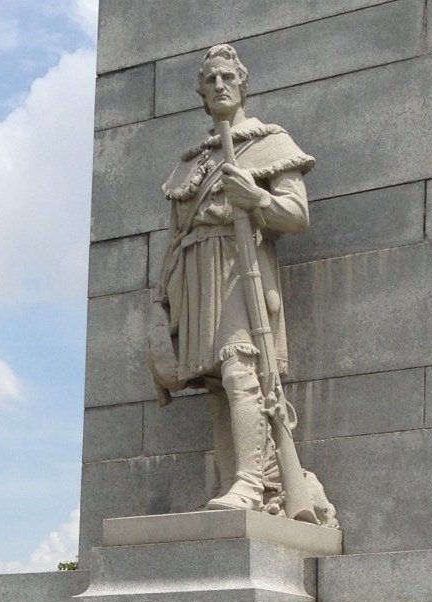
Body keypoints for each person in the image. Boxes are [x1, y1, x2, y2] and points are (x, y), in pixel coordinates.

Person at [148, 44, 336, 525]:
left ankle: (253, 483)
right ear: (200, 93)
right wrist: (162, 303)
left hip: (240, 269)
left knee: (240, 374)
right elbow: (174, 240)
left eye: (227, 76)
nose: (219, 86)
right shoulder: (190, 163)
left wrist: (255, 198)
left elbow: (296, 214)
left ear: (242, 82)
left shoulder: (269, 142)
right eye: (210, 80)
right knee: (215, 383)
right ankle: (233, 476)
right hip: (195, 277)